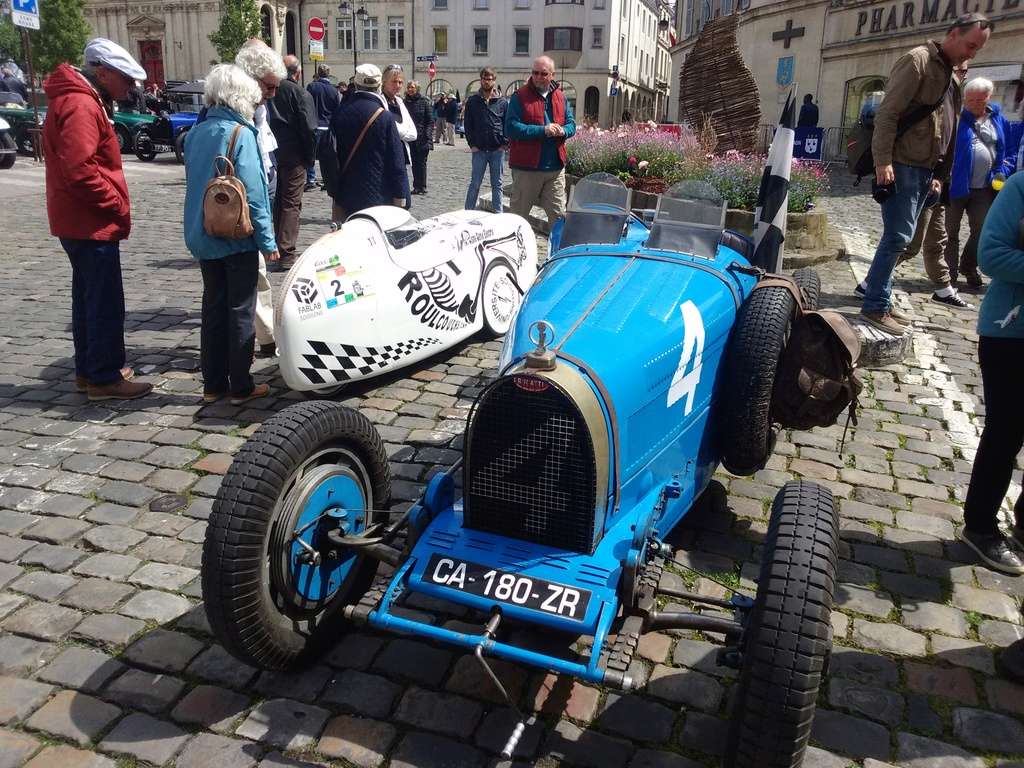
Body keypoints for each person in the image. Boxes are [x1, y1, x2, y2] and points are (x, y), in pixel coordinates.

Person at [858, 13, 990, 335]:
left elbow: (949, 127)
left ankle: (882, 300)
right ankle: (874, 305)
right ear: (954, 33)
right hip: (902, 164)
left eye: (978, 49)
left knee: (901, 240)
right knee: (898, 238)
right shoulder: (917, 61)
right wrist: (882, 161)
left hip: (924, 169)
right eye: (971, 45)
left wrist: (939, 173)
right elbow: (888, 114)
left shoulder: (951, 74)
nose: (972, 53)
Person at [43, 38, 153, 401]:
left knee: (88, 297)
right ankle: (104, 376)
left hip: (80, 219)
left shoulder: (78, 98)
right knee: (104, 301)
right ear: (103, 73)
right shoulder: (80, 103)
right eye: (125, 79)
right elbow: (80, 169)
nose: (130, 87)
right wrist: (115, 204)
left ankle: (90, 369)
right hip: (90, 221)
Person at [183, 64, 277, 406]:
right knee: (240, 308)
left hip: (204, 232)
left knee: (213, 307)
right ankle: (240, 384)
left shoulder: (196, 133)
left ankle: (213, 383)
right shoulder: (241, 134)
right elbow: (254, 192)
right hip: (235, 234)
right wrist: (268, 241)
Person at [957, 169, 1024, 574]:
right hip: (1011, 332)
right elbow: (991, 254)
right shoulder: (1020, 187)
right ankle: (980, 526)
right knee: (1007, 431)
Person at [234, 39, 286, 357]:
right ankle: (263, 339)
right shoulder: (237, 112)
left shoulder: (257, 106)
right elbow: (250, 179)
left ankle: (266, 334)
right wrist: (267, 238)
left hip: (262, 187)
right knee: (252, 274)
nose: (273, 93)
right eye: (269, 86)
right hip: (246, 203)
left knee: (257, 273)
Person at [945, 76, 1013, 290]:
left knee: (982, 229)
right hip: (956, 185)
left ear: (988, 98)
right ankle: (950, 273)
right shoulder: (956, 118)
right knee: (950, 231)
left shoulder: (998, 120)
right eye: (970, 100)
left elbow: (1008, 150)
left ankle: (968, 265)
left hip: (986, 187)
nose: (974, 104)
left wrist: (1003, 170)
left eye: (979, 100)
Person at [505, 55, 577, 232]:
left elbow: (571, 124)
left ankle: (557, 258)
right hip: (527, 169)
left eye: (543, 73)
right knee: (517, 219)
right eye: (535, 72)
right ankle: (515, 256)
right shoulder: (519, 96)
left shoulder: (561, 97)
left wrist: (564, 130)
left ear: (552, 75)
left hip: (555, 169)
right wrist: (542, 130)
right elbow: (511, 128)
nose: (538, 77)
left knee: (559, 217)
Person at [330, 64, 408, 220]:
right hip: (378, 193)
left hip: (346, 192)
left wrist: (333, 188)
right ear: (379, 86)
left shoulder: (340, 112)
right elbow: (396, 160)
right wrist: (400, 196)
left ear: (356, 85)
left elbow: (329, 152)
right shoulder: (384, 116)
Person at [268, 53, 317, 271]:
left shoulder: (270, 89)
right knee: (290, 202)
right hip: (294, 152)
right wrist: (309, 157)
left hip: (272, 150)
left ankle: (277, 246)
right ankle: (286, 252)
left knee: (279, 200)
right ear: (297, 73)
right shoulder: (299, 92)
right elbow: (309, 129)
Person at [463, 67, 508, 213]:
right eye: (484, 78)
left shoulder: (502, 102)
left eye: (490, 79)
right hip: (479, 150)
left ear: (494, 81)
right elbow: (468, 124)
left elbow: (507, 123)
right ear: (480, 80)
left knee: (497, 184)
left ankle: (498, 213)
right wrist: (472, 144)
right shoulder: (473, 101)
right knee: (475, 183)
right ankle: (468, 212)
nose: (487, 81)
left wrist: (505, 143)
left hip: (497, 150)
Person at [382, 64, 416, 207]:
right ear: (384, 82)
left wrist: (397, 132)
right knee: (393, 201)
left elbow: (413, 133)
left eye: (400, 82)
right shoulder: (380, 101)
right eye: (394, 81)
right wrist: (399, 131)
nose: (398, 85)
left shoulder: (399, 102)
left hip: (401, 157)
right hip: (386, 157)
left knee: (405, 202)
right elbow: (388, 128)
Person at [308, 63, 341, 197]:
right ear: (329, 74)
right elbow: (337, 109)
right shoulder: (334, 90)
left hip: (315, 124)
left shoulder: (312, 86)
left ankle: (310, 178)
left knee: (310, 154)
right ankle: (327, 180)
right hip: (328, 126)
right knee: (327, 157)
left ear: (318, 73)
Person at [404, 80, 434, 194]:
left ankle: (422, 186)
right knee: (414, 162)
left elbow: (430, 120)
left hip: (422, 137)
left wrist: (428, 134)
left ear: (417, 88)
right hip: (410, 137)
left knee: (422, 162)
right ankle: (416, 186)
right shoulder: (404, 102)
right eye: (409, 87)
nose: (410, 89)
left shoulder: (424, 101)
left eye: (412, 87)